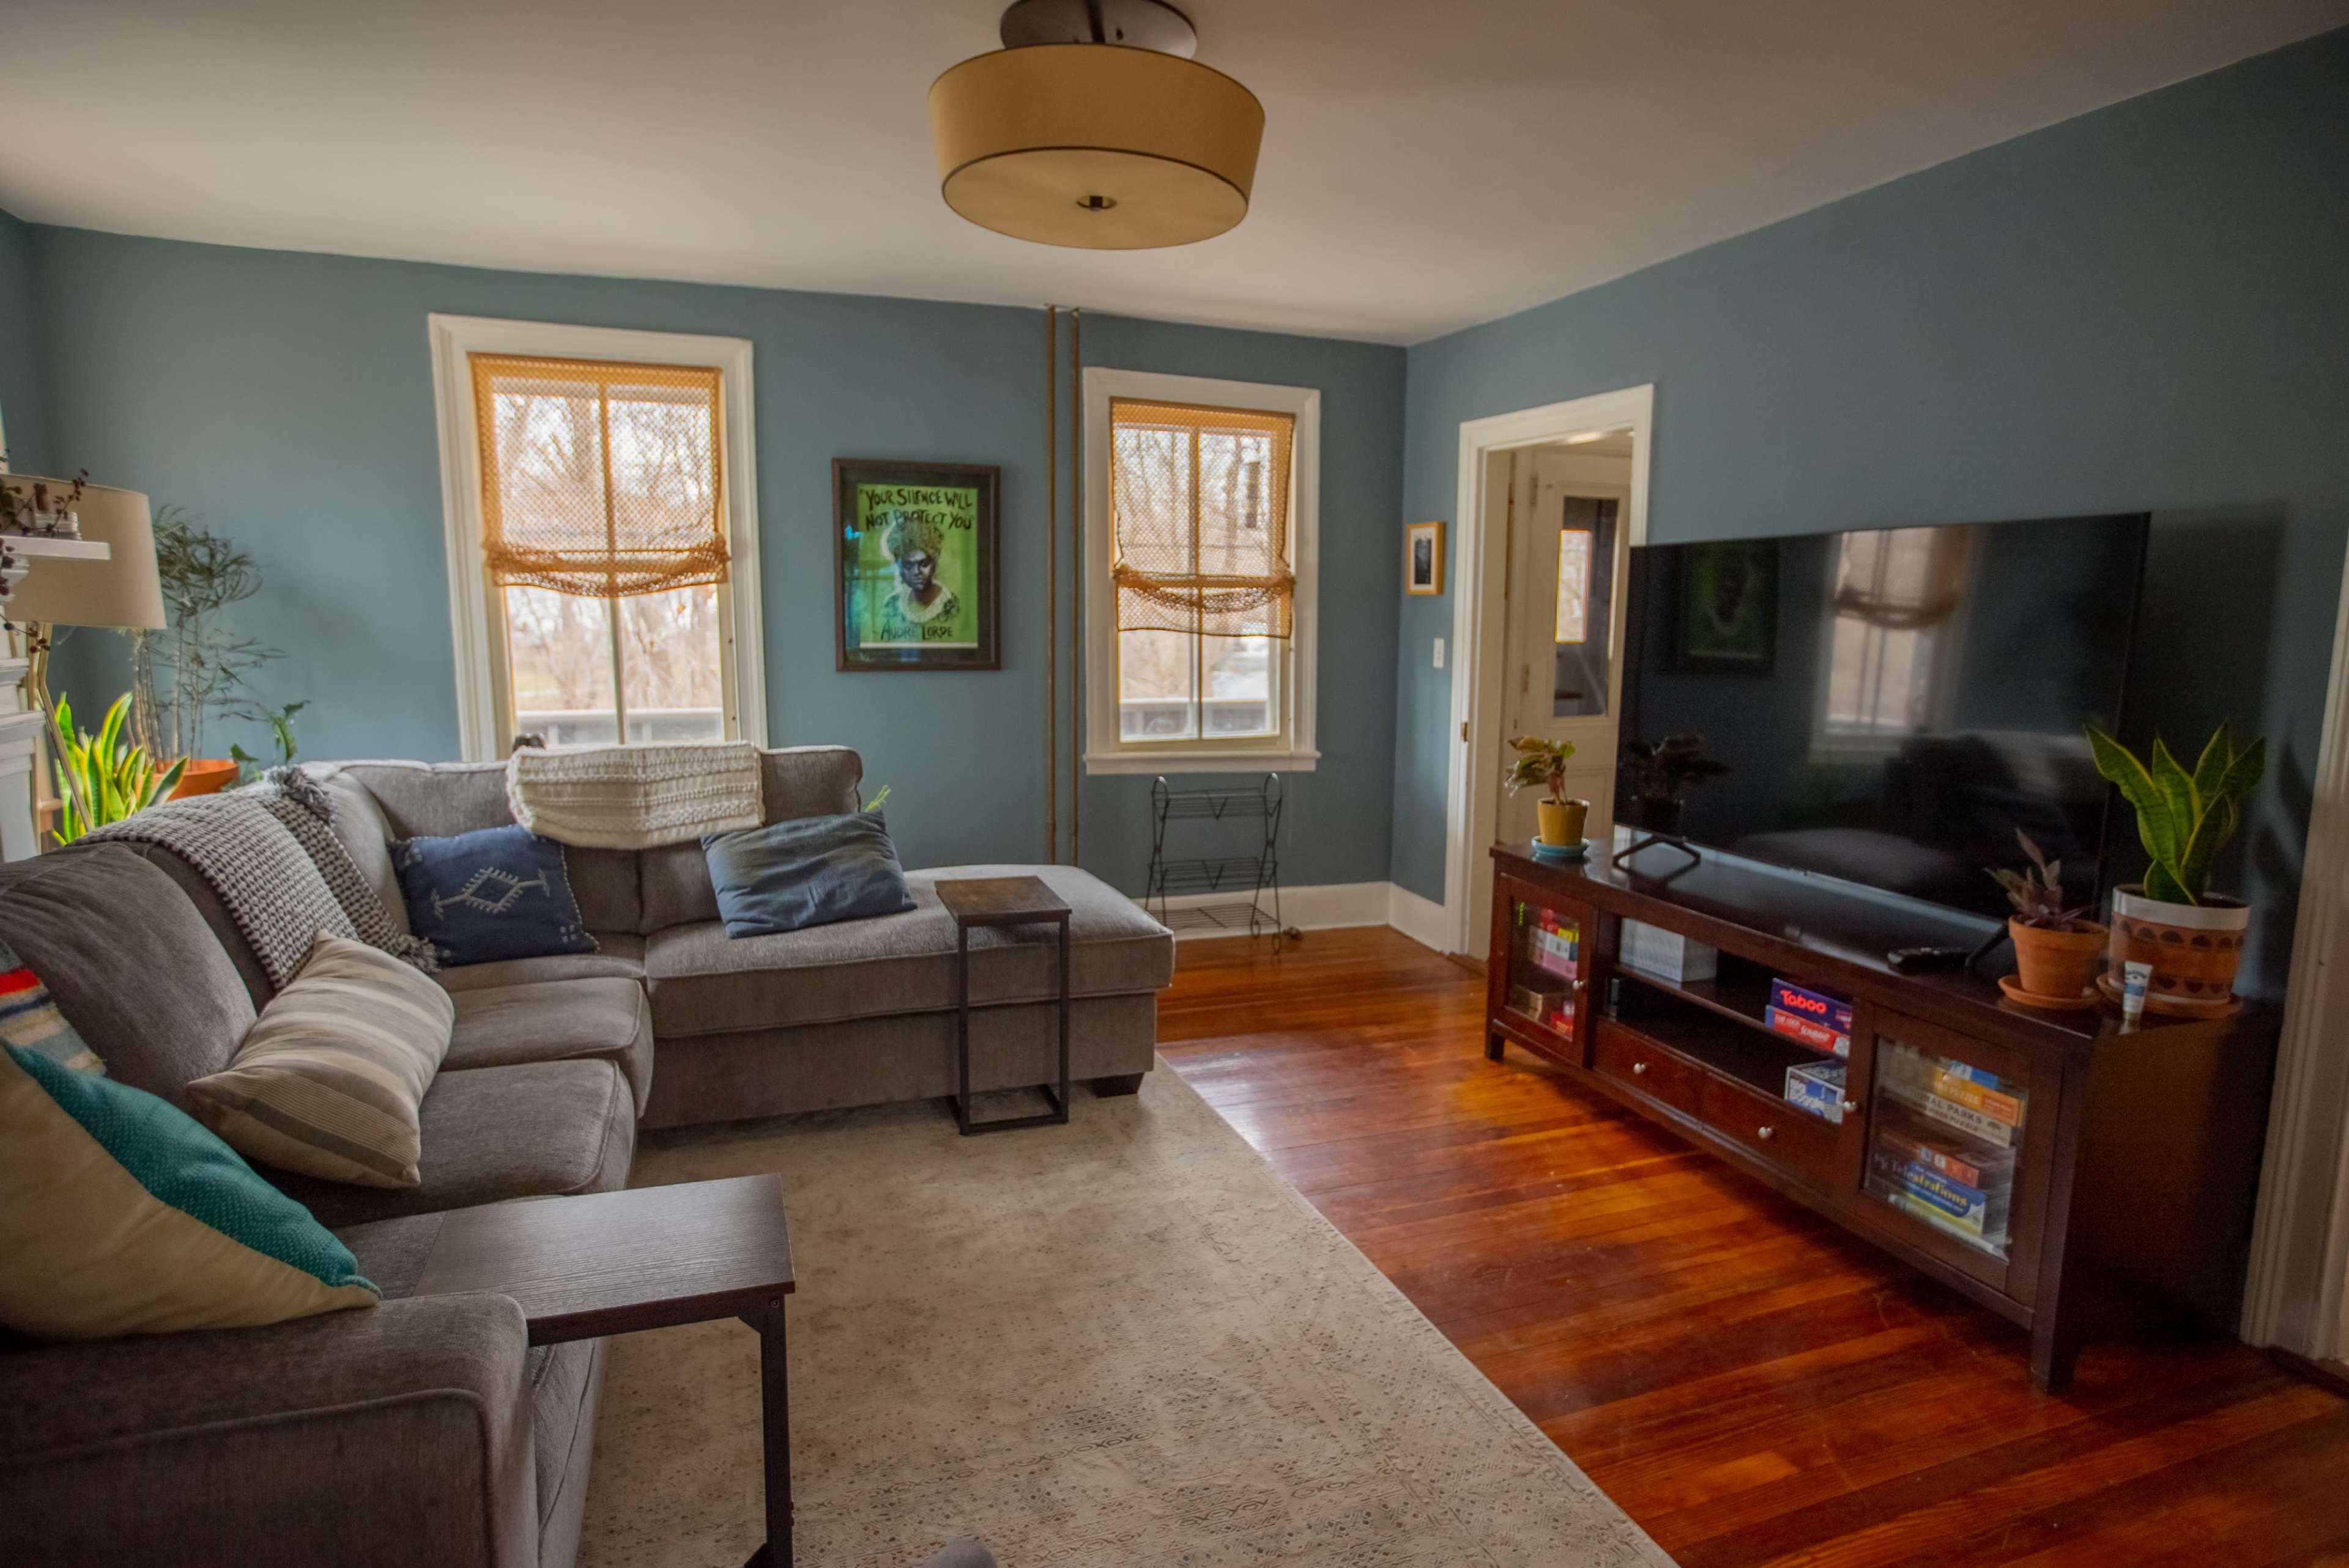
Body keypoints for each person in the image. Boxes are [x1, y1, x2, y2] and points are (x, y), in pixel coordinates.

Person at [871, 509, 962, 642]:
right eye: (908, 566)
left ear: (934, 563)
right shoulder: (892, 605)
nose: (916, 572)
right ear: (899, 567)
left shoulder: (951, 606)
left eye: (924, 564)